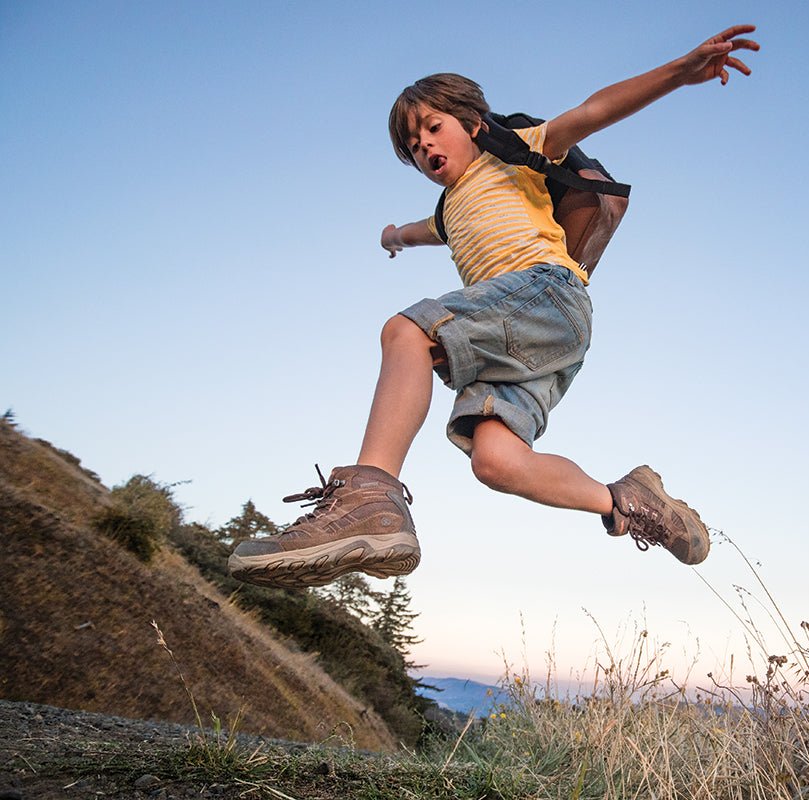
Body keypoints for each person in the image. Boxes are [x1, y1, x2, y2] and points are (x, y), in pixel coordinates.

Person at [228, 25, 760, 589]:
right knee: (497, 463)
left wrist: (680, 70)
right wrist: (392, 236)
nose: (426, 146)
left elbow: (594, 109)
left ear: (474, 124)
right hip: (527, 339)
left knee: (407, 333)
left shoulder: (516, 151)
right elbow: (417, 231)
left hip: (544, 294)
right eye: (414, 146)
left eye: (434, 128)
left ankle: (371, 494)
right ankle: (627, 502)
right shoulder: (447, 211)